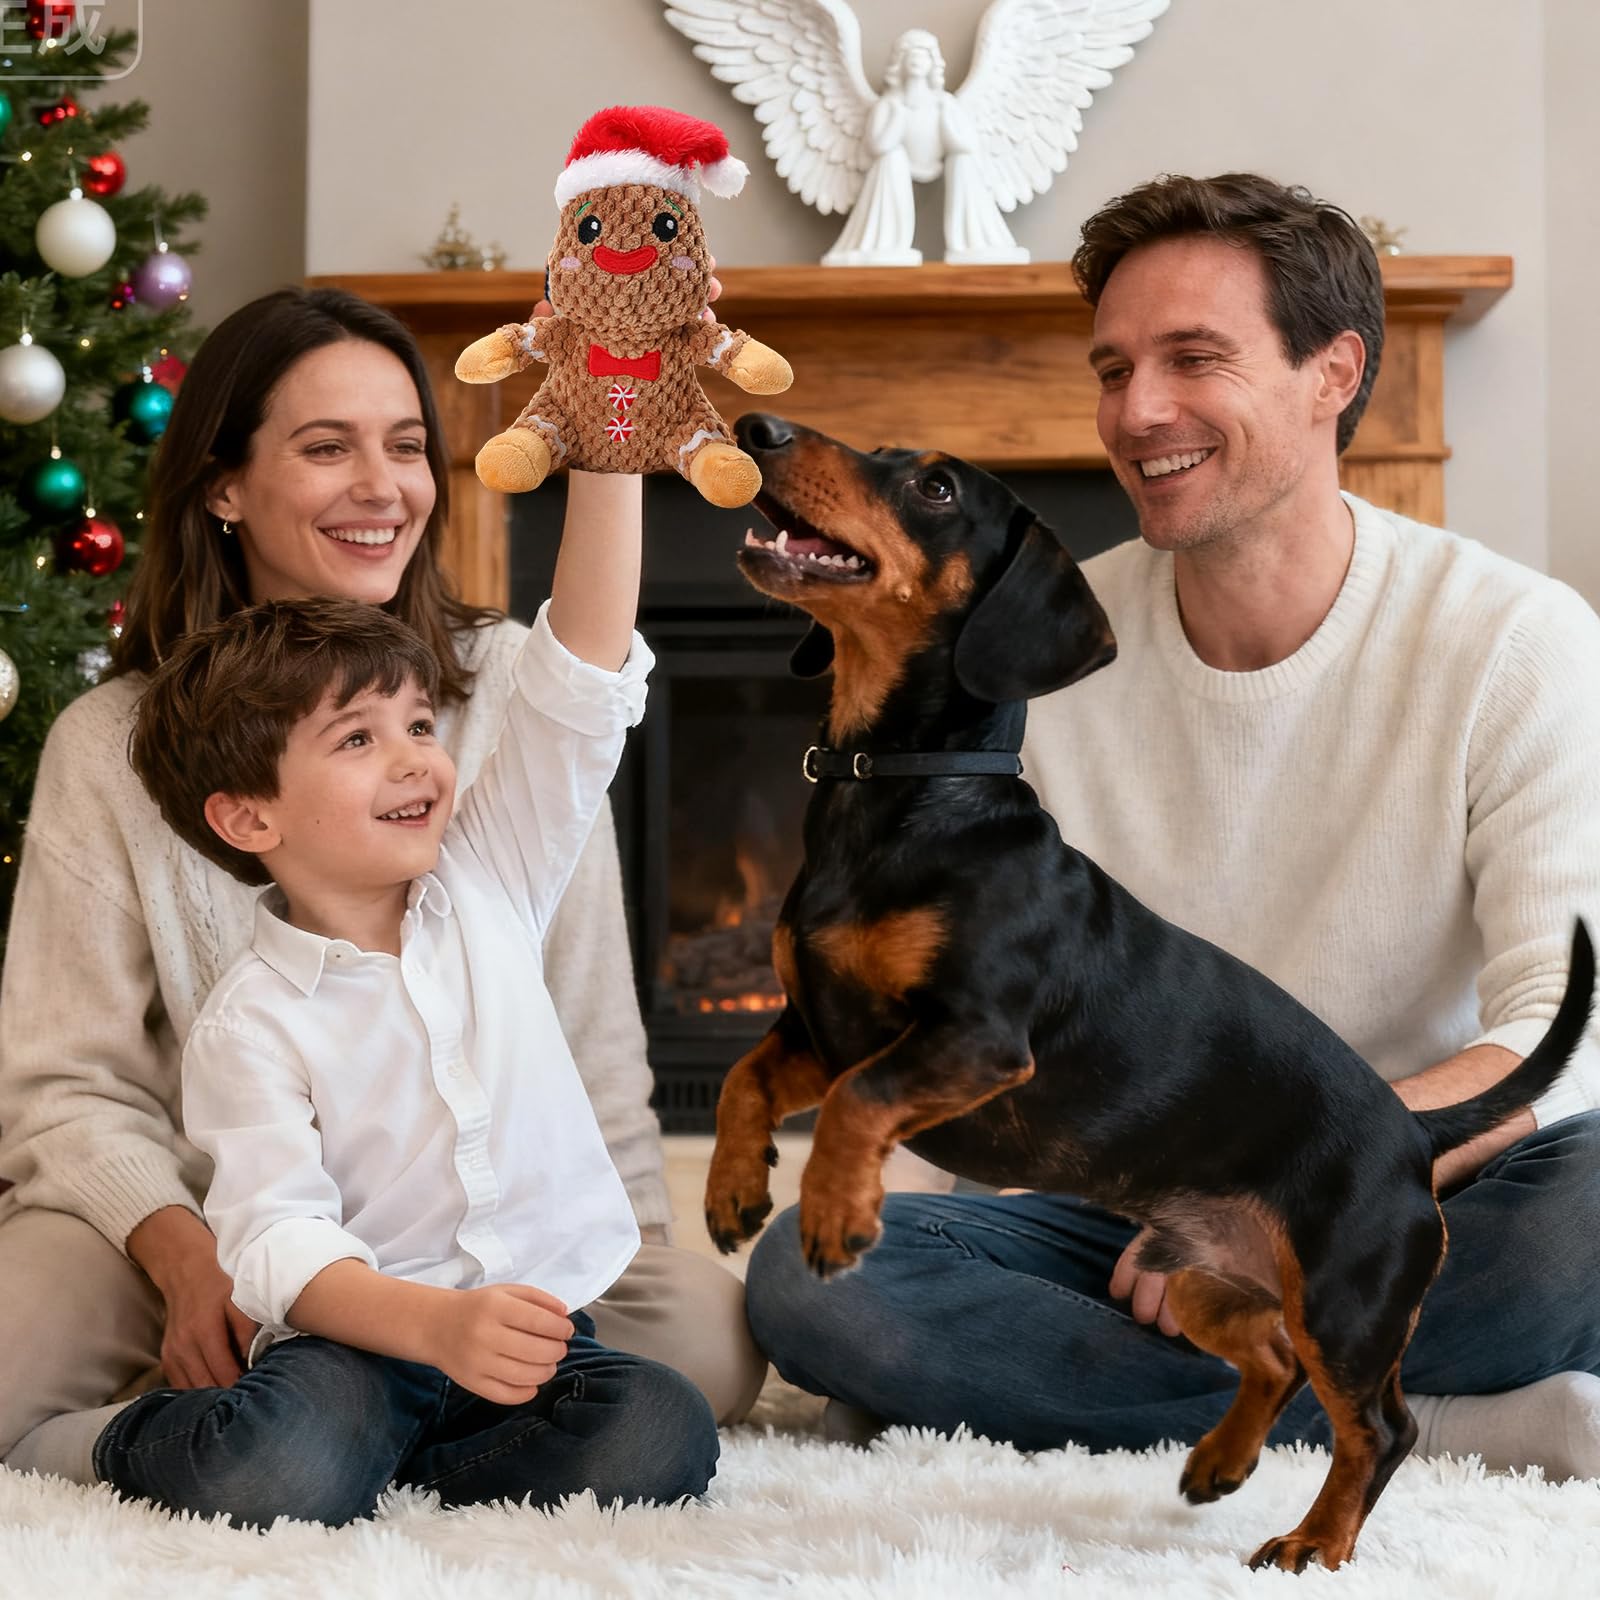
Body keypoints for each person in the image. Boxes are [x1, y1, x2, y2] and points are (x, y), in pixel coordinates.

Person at [744, 173, 1600, 1481]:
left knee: (1588, 1210)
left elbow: (1557, 1029)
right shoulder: (1025, 645)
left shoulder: (1515, 642)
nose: (1137, 413)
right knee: (820, 1290)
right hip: (1117, 1210)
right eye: (1114, 368)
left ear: (1334, 373)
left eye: (1194, 359)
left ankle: (1079, 1397)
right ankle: (1458, 1420)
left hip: (1406, 1175)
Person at [0, 287, 764, 1484]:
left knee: (702, 1352)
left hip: (471, 1229)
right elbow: (62, 1087)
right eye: (325, 447)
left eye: (407, 445)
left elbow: (589, 1026)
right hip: (218, 1210)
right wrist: (194, 1257)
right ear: (223, 486)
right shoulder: (111, 746)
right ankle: (239, 1422)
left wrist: (602, 1252)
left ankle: (362, 1418)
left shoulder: (503, 694)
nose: (383, 485)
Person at [81, 538, 718, 1523]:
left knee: (662, 1426)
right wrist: (435, 1325)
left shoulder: (493, 879)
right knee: (274, 1473)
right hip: (355, 1347)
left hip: (520, 1328)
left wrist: (609, 451)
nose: (417, 754)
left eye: (419, 722)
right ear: (249, 818)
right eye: (357, 739)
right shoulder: (249, 1023)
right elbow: (279, 1244)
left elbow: (580, 689)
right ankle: (113, 1442)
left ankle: (390, 1474)